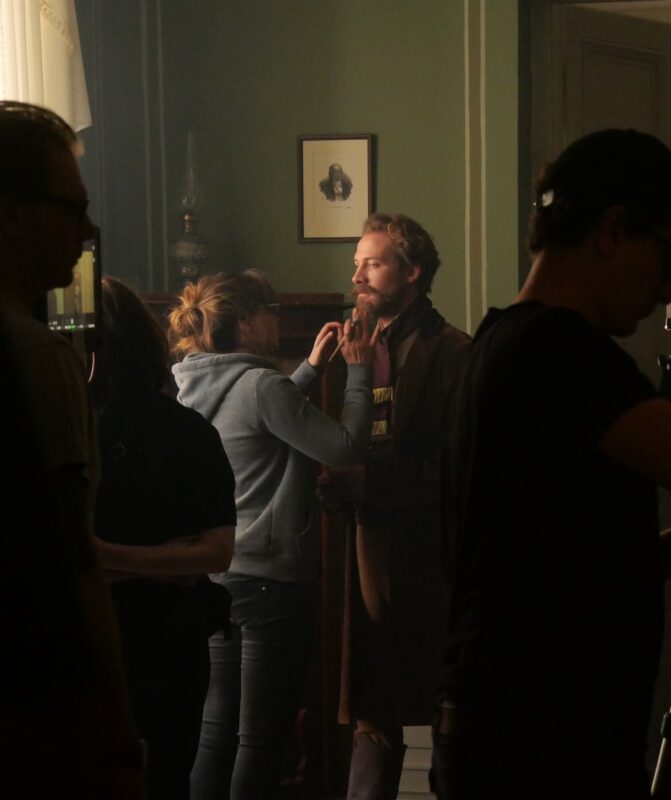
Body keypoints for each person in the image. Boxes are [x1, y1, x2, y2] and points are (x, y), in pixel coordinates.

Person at [430, 128, 671, 800]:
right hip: (540, 754)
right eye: (666, 257)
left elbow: (558, 572)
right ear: (612, 230)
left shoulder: (498, 341)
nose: (666, 289)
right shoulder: (560, 351)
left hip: (508, 741)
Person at [169, 268, 377, 800]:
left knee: (215, 736)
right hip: (272, 586)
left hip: (218, 577)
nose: (277, 322)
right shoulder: (263, 387)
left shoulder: (190, 383)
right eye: (271, 312)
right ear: (245, 323)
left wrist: (308, 369)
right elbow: (344, 447)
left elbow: (256, 422)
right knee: (260, 742)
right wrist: (357, 371)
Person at [0, 101, 145, 797]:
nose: (88, 232)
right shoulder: (39, 359)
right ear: (11, 215)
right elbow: (71, 558)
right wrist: (115, 731)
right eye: (72, 210)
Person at [317, 213, 471, 800]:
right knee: (370, 706)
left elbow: (459, 468)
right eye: (357, 263)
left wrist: (371, 483)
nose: (357, 275)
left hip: (426, 555)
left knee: (443, 699)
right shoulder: (353, 345)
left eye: (373, 263)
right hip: (359, 546)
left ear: (411, 272)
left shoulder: (452, 351)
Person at [90, 276, 237, 800]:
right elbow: (211, 553)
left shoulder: (78, 429)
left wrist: (106, 558)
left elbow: (216, 553)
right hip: (170, 642)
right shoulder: (189, 431)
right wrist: (168, 563)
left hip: (112, 641)